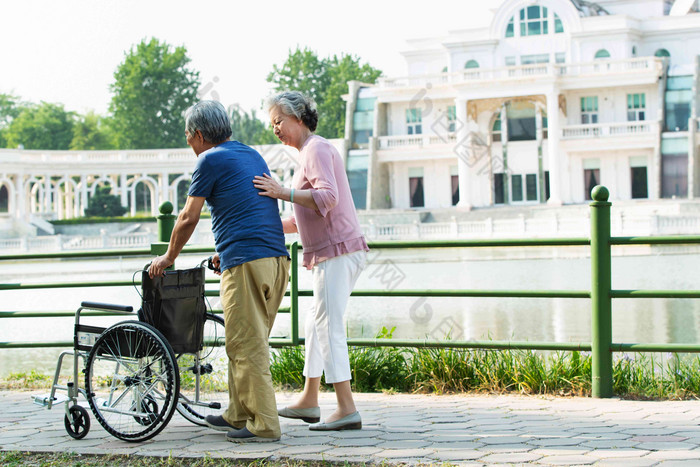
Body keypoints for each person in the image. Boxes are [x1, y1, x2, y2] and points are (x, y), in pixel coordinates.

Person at [148, 100, 290, 443]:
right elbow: (249, 206)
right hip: (275, 261)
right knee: (244, 341)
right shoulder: (250, 154)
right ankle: (238, 413)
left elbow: (187, 217)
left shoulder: (208, 160)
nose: (187, 142)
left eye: (187, 135)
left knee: (247, 345)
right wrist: (223, 250)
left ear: (198, 134)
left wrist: (168, 257)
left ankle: (264, 425)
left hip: (247, 263)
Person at [253, 91, 368, 431]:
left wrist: (281, 192)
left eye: (278, 121)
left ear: (298, 118)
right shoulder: (308, 153)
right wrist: (263, 225)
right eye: (271, 123)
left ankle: (346, 408)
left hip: (338, 250)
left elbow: (327, 197)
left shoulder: (315, 149)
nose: (274, 128)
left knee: (328, 327)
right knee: (316, 326)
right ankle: (309, 399)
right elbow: (304, 214)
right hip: (334, 251)